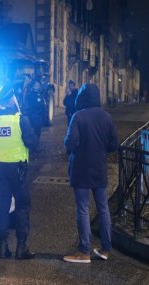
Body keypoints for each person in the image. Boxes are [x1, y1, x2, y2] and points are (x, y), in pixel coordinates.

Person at [63, 83, 118, 263]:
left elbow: (70, 144)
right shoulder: (107, 117)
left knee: (83, 209)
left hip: (81, 169)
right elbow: (113, 145)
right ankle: (106, 249)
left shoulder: (78, 116)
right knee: (103, 209)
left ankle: (84, 251)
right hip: (100, 169)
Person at [0, 84, 39, 260]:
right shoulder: (20, 119)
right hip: (18, 170)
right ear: (12, 99)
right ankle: (21, 248)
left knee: (3, 207)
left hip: (0, 169)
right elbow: (32, 143)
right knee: (22, 207)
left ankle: (3, 247)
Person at [22, 74, 44, 140]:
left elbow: (42, 107)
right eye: (36, 85)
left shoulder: (40, 95)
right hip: (33, 116)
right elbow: (24, 101)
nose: (37, 86)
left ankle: (36, 144)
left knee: (37, 132)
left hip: (37, 117)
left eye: (38, 85)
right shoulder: (30, 94)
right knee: (34, 133)